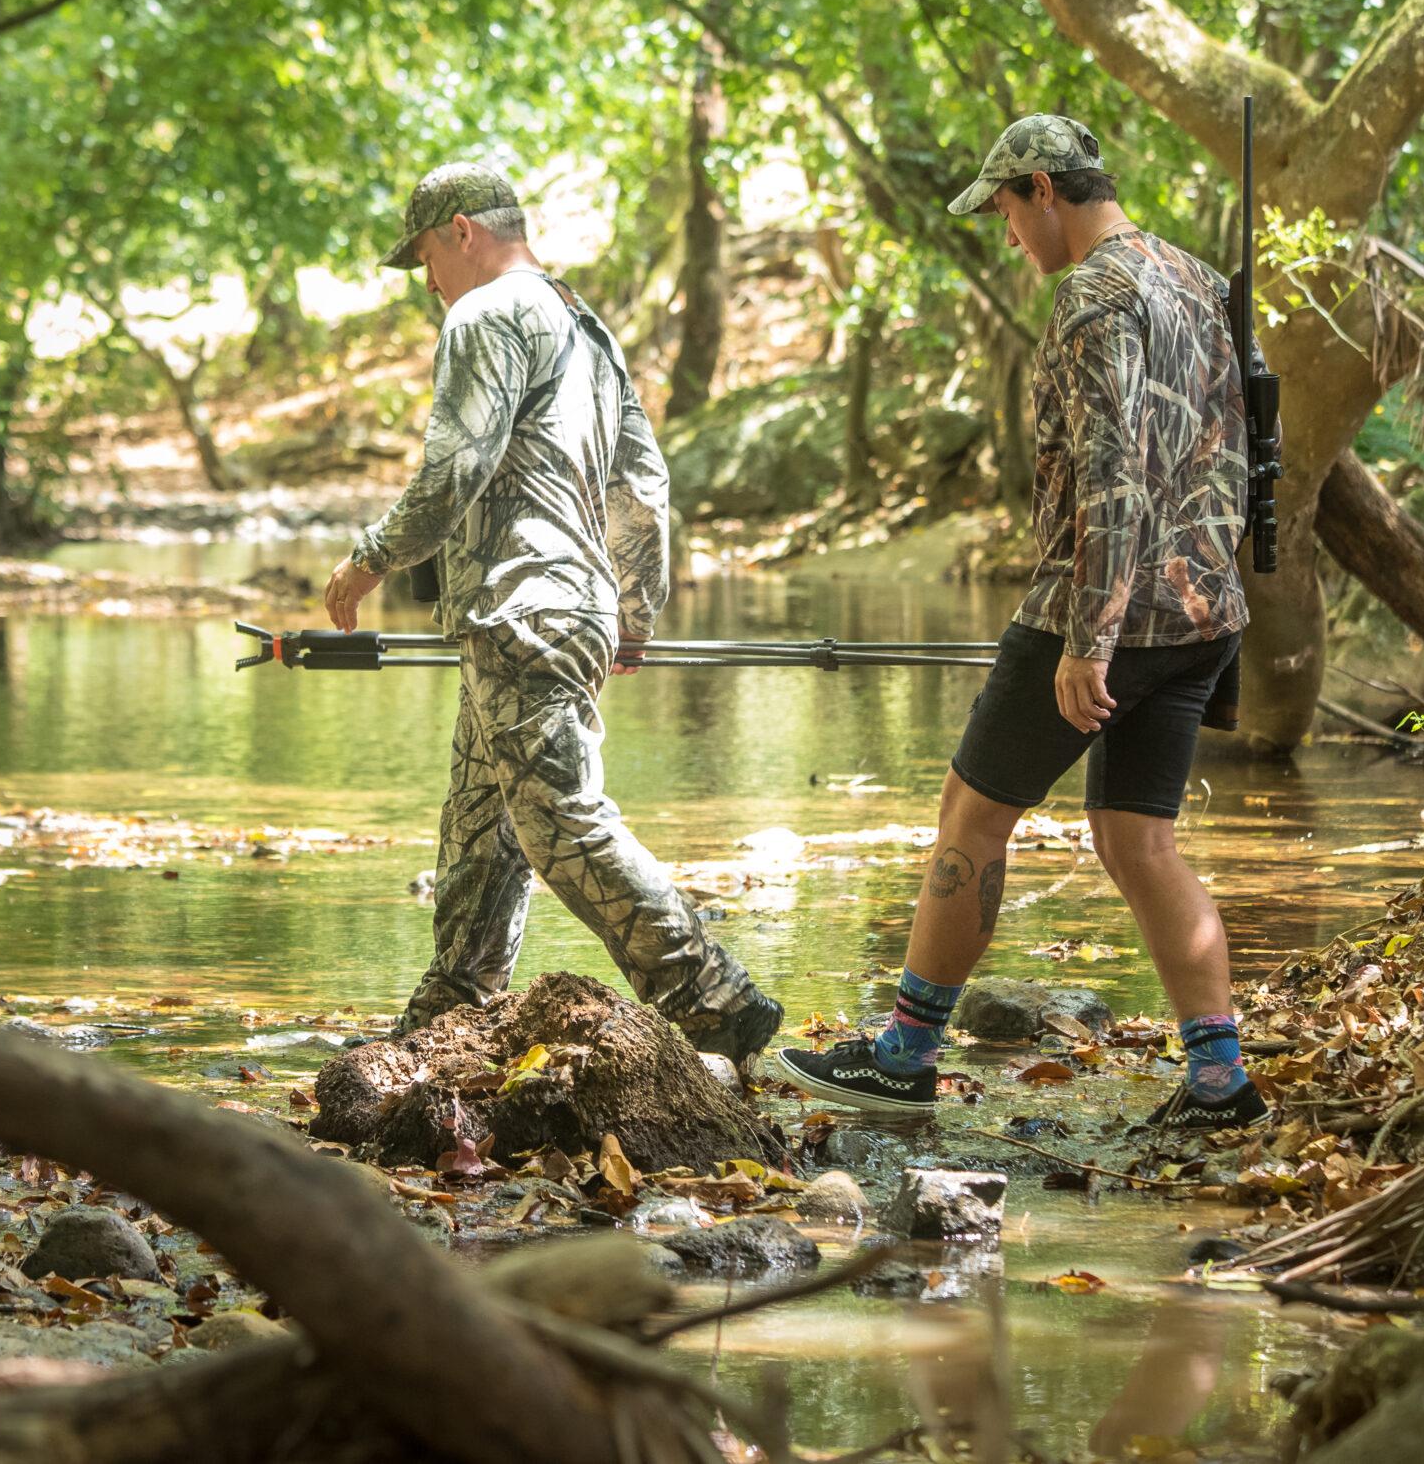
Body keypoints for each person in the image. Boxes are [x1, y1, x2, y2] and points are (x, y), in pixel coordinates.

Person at [773, 114, 1266, 1129]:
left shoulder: (1093, 295)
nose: (1006, 233)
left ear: (1043, 186)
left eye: (1004, 207)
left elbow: (1114, 472)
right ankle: (1220, 1080)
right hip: (1206, 608)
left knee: (970, 810)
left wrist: (1090, 634)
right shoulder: (1196, 276)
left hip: (1103, 604)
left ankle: (904, 1053)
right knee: (1138, 837)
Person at [325, 161, 785, 1069]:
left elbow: (458, 462)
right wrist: (633, 607)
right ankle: (452, 1011)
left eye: (423, 255)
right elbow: (642, 484)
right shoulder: (586, 326)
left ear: (462, 230)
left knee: (559, 820)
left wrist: (371, 555)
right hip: (562, 604)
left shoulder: (485, 314)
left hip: (520, 602)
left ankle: (707, 991)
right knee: (479, 827)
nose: (425, 281)